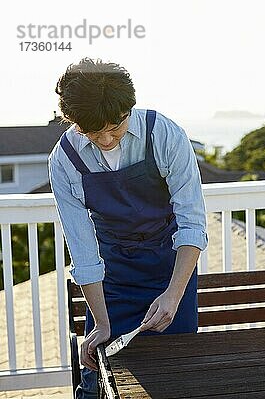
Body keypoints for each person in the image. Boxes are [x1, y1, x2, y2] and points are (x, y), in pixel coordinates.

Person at [49, 58, 208, 398]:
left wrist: (174, 295)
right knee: (98, 382)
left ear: (129, 108)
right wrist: (102, 322)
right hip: (113, 278)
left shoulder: (164, 134)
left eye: (116, 127)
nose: (106, 140)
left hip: (170, 270)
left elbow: (192, 223)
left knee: (176, 379)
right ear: (75, 123)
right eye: (93, 131)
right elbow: (83, 250)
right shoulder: (64, 160)